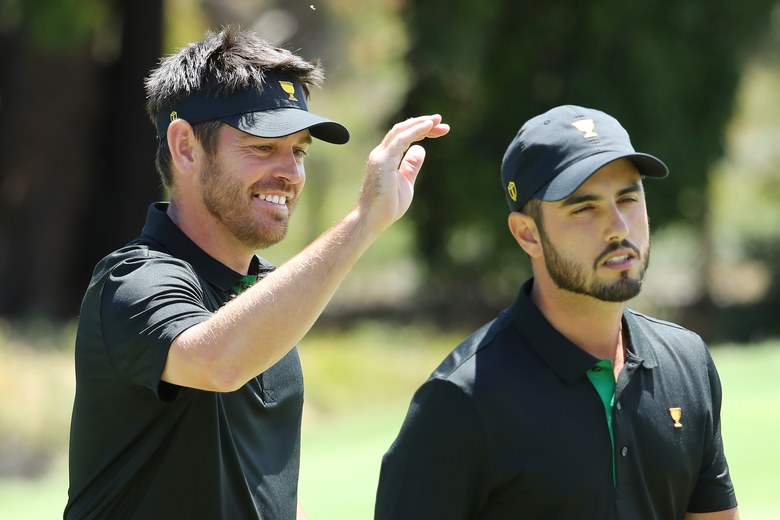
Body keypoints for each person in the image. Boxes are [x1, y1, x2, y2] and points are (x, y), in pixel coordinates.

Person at [64, 26, 448, 519]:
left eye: (300, 150)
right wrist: (362, 223)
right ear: (185, 148)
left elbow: (264, 485)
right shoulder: (132, 280)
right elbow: (216, 362)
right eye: (262, 147)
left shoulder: (267, 292)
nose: (290, 172)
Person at [374, 105, 739, 520]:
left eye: (628, 198)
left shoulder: (688, 362)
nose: (618, 227)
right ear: (527, 233)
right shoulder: (459, 400)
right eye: (584, 208)